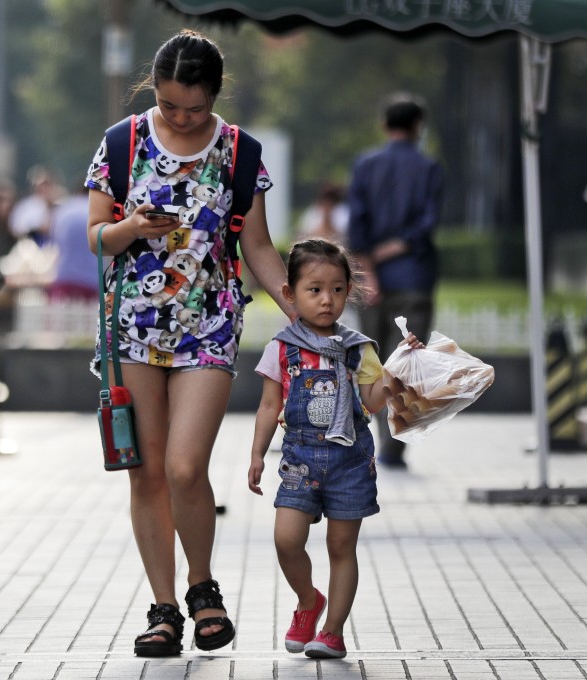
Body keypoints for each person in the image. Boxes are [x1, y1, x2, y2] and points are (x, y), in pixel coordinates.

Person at [84, 29, 294, 657]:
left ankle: (203, 588)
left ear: (214, 96)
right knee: (146, 472)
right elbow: (95, 236)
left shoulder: (238, 151)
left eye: (194, 108)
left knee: (184, 466)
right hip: (133, 327)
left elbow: (254, 245)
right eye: (170, 105)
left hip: (208, 324)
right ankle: (164, 609)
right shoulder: (122, 142)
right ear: (155, 89)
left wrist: (303, 310)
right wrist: (128, 227)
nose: (180, 117)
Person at [248, 239, 423, 659]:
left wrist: (396, 370)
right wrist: (257, 453)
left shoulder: (358, 347)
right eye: (314, 289)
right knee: (287, 540)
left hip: (350, 460)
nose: (327, 300)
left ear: (349, 291)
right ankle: (309, 601)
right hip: (299, 459)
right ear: (290, 293)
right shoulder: (282, 346)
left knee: (341, 547)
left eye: (337, 289)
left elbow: (373, 401)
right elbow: (270, 404)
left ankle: (333, 631)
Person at [347, 93, 443, 469]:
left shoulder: (365, 165)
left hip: (371, 283)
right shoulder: (430, 167)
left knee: (369, 361)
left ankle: (362, 440)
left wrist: (370, 268)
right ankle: (393, 448)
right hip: (414, 278)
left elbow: (356, 226)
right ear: (418, 127)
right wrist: (392, 251)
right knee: (406, 363)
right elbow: (426, 225)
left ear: (386, 126)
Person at [46, 187, 98, 303]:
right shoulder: (98, 212)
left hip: (63, 279)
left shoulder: (63, 210)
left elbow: (54, 245)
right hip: (92, 283)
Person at [9, 165, 60, 247]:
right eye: (41, 185)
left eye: (47, 184)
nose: (44, 188)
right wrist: (37, 229)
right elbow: (16, 230)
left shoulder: (60, 206)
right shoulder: (25, 207)